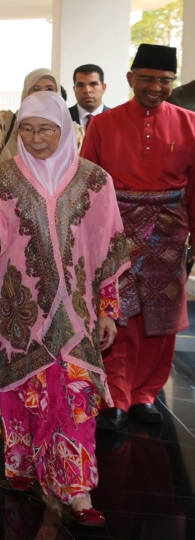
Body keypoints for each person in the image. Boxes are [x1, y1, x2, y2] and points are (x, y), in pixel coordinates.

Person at [0, 91, 129, 526]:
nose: (36, 137)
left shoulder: (95, 181)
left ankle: (78, 491)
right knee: (27, 394)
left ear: (65, 128)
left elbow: (109, 249)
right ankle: (22, 463)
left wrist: (107, 308)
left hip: (77, 312)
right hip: (20, 307)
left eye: (46, 128)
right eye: (27, 128)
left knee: (76, 396)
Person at [80, 43, 195, 430]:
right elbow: (89, 183)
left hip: (169, 236)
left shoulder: (189, 123)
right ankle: (115, 395)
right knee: (117, 315)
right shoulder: (103, 124)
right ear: (130, 79)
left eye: (165, 80)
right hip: (117, 235)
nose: (156, 86)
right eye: (147, 78)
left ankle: (146, 393)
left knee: (158, 322)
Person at [0, 69, 83, 162]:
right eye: (36, 89)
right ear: (26, 93)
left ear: (58, 93)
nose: (43, 94)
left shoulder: (74, 131)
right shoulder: (4, 121)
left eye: (49, 89)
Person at [69, 64, 109, 130]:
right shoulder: (61, 118)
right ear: (74, 89)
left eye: (93, 84)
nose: (87, 90)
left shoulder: (117, 119)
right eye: (80, 85)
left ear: (104, 88)